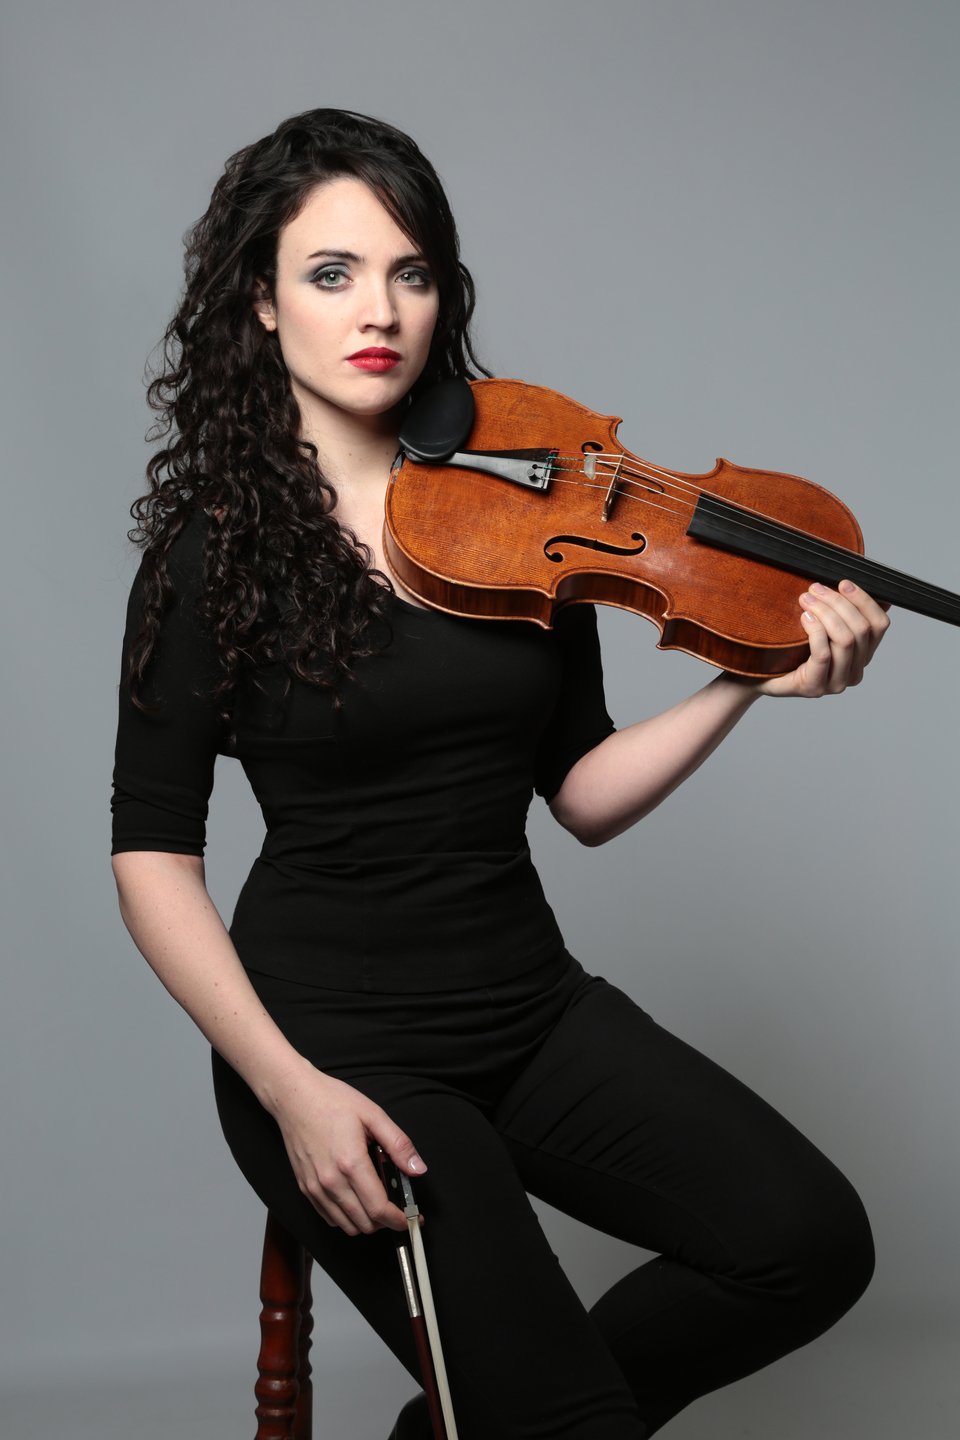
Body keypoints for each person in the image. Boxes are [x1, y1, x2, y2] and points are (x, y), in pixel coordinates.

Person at [110, 108, 888, 1440]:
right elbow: (150, 856)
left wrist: (744, 678)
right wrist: (292, 1091)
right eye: (333, 272)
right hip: (337, 1045)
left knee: (809, 1243)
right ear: (263, 301)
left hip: (529, 1010)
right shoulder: (209, 554)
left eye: (410, 273)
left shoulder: (524, 512)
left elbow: (580, 792)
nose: (380, 310)